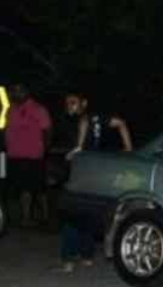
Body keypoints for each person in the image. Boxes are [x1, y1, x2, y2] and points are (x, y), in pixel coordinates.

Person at [56, 92, 131, 272]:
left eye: (73, 103)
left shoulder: (85, 120)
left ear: (84, 103)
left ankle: (68, 261)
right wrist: (128, 148)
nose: (69, 106)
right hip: (94, 171)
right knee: (87, 213)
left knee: (71, 214)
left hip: (83, 171)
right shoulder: (94, 119)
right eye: (67, 103)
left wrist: (76, 151)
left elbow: (80, 144)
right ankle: (87, 257)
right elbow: (120, 124)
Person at [4, 83, 52, 228]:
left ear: (26, 92)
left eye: (19, 91)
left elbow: (48, 130)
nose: (16, 93)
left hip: (33, 154)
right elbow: (7, 129)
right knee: (23, 187)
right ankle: (29, 217)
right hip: (14, 154)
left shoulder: (38, 109)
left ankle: (41, 217)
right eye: (14, 91)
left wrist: (45, 148)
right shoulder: (11, 109)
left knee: (37, 188)